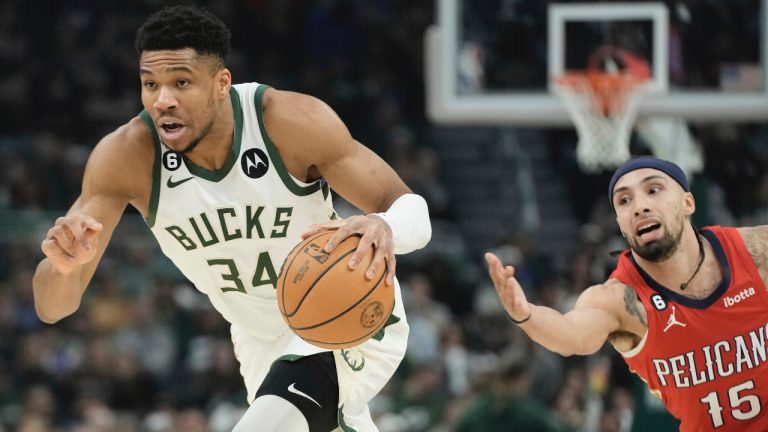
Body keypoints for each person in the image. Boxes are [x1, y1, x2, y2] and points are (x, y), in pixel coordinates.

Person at [32, 6, 431, 432]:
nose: (162, 100)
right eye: (150, 84)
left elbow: (412, 210)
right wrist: (63, 266)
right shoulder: (126, 157)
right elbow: (53, 307)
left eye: (181, 83)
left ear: (222, 83)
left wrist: (386, 225)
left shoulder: (289, 122)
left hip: (347, 310)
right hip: (258, 341)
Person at [486, 156, 768, 432]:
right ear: (620, 224)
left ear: (688, 203)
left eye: (653, 190)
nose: (639, 207)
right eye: (624, 200)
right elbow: (573, 335)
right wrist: (526, 314)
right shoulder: (619, 299)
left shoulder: (754, 250)